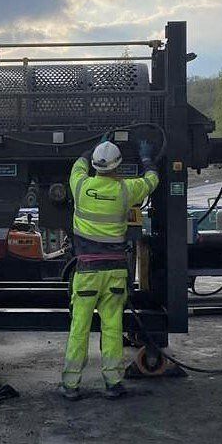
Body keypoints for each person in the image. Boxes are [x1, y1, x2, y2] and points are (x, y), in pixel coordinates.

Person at [61, 138, 160, 400]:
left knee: (79, 328)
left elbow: (78, 165)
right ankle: (113, 382)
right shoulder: (126, 191)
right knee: (113, 328)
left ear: (95, 165)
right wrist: (146, 158)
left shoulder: (80, 185)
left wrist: (93, 146)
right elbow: (152, 180)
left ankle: (71, 385)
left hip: (87, 273)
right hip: (115, 273)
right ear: (118, 166)